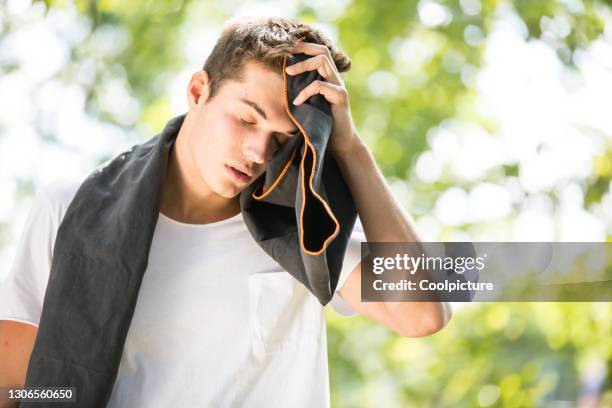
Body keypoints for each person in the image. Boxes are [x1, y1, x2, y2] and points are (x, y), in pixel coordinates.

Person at [0, 17, 452, 407]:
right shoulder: (69, 208)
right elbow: (14, 384)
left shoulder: (301, 231)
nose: (258, 151)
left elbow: (423, 314)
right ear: (199, 91)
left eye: (281, 138)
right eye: (248, 118)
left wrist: (349, 148)